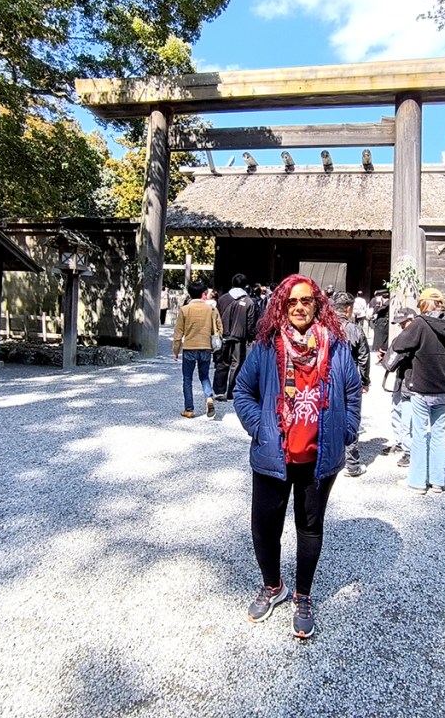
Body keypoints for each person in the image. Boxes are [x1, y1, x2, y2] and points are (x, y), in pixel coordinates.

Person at [233, 274, 362, 639]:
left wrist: (346, 430)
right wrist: (260, 427)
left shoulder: (335, 346)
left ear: (317, 304)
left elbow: (352, 391)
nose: (299, 307)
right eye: (291, 302)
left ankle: (303, 595)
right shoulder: (267, 346)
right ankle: (273, 586)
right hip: (274, 454)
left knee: (309, 528)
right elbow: (242, 390)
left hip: (319, 458)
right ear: (281, 306)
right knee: (264, 527)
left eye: (306, 300)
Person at [389, 288, 445, 495]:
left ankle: (417, 482)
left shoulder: (420, 323)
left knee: (420, 435)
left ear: (423, 304)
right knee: (439, 434)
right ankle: (437, 481)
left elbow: (399, 344)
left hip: (422, 388)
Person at [330, 291, 370, 477]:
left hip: (327, 376)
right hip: (350, 377)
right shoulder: (355, 329)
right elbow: (364, 357)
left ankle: (329, 456)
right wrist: (365, 380)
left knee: (327, 414)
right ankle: (351, 463)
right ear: (348, 309)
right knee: (351, 416)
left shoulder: (323, 327)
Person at [173, 279, 222, 419]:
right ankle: (209, 397)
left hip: (189, 347)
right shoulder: (210, 309)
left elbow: (178, 334)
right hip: (205, 346)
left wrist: (176, 351)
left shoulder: (185, 309)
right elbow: (219, 328)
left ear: (189, 293)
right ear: (202, 293)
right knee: (204, 376)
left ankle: (189, 409)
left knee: (187, 378)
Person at [380, 307, 417, 467]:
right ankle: (400, 443)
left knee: (408, 415)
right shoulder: (402, 337)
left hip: (412, 379)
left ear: (412, 319)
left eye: (404, 322)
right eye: (400, 323)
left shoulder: (418, 336)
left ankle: (410, 450)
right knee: (396, 410)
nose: (402, 326)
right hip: (400, 377)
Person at [214, 273, 257, 401]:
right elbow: (250, 322)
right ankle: (232, 392)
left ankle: (219, 390)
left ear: (232, 283)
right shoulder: (249, 301)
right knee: (236, 365)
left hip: (223, 336)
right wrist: (251, 337)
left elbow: (216, 317)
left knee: (221, 363)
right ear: (245, 285)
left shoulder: (222, 299)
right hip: (239, 338)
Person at [369, 289, 390, 356]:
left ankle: (381, 352)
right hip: (381, 324)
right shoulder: (384, 303)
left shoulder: (387, 303)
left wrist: (378, 306)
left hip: (383, 324)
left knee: (381, 340)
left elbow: (379, 310)